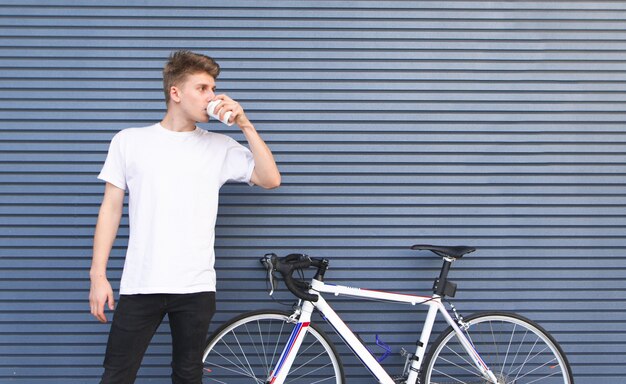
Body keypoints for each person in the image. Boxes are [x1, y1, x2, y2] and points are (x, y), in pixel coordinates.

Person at [88, 50, 281, 384]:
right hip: (141, 283)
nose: (213, 97)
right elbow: (111, 209)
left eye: (214, 88)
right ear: (175, 93)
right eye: (203, 88)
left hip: (195, 285)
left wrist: (245, 124)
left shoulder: (219, 146)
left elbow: (270, 179)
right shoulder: (129, 141)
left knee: (188, 375)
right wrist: (97, 275)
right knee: (117, 374)